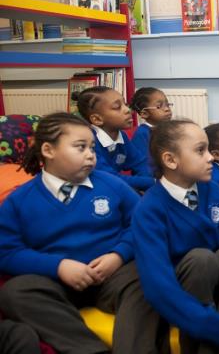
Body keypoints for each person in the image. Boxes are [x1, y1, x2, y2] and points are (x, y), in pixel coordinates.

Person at [0, 112, 166, 354]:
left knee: (147, 274)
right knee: (15, 292)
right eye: (80, 147)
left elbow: (144, 225)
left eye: (92, 148)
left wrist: (118, 255)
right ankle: (90, 350)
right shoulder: (19, 200)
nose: (90, 154)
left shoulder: (113, 185)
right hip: (57, 284)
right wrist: (58, 266)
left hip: (112, 275)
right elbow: (7, 252)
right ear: (48, 150)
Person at [132, 120, 219, 354]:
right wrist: (218, 327)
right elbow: (159, 286)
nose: (210, 158)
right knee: (201, 259)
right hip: (184, 303)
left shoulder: (216, 194)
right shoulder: (149, 209)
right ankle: (211, 342)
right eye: (200, 151)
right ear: (170, 160)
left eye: (208, 149)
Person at [75, 86, 155, 192]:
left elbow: (140, 162)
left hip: (114, 187)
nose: (128, 110)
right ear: (97, 119)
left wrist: (149, 181)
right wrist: (152, 182)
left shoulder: (121, 136)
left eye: (125, 104)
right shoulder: (90, 143)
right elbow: (110, 179)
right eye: (117, 107)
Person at [130, 87, 173, 165]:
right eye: (159, 106)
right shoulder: (142, 134)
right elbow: (143, 164)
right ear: (145, 113)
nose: (167, 109)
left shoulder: (170, 129)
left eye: (167, 104)